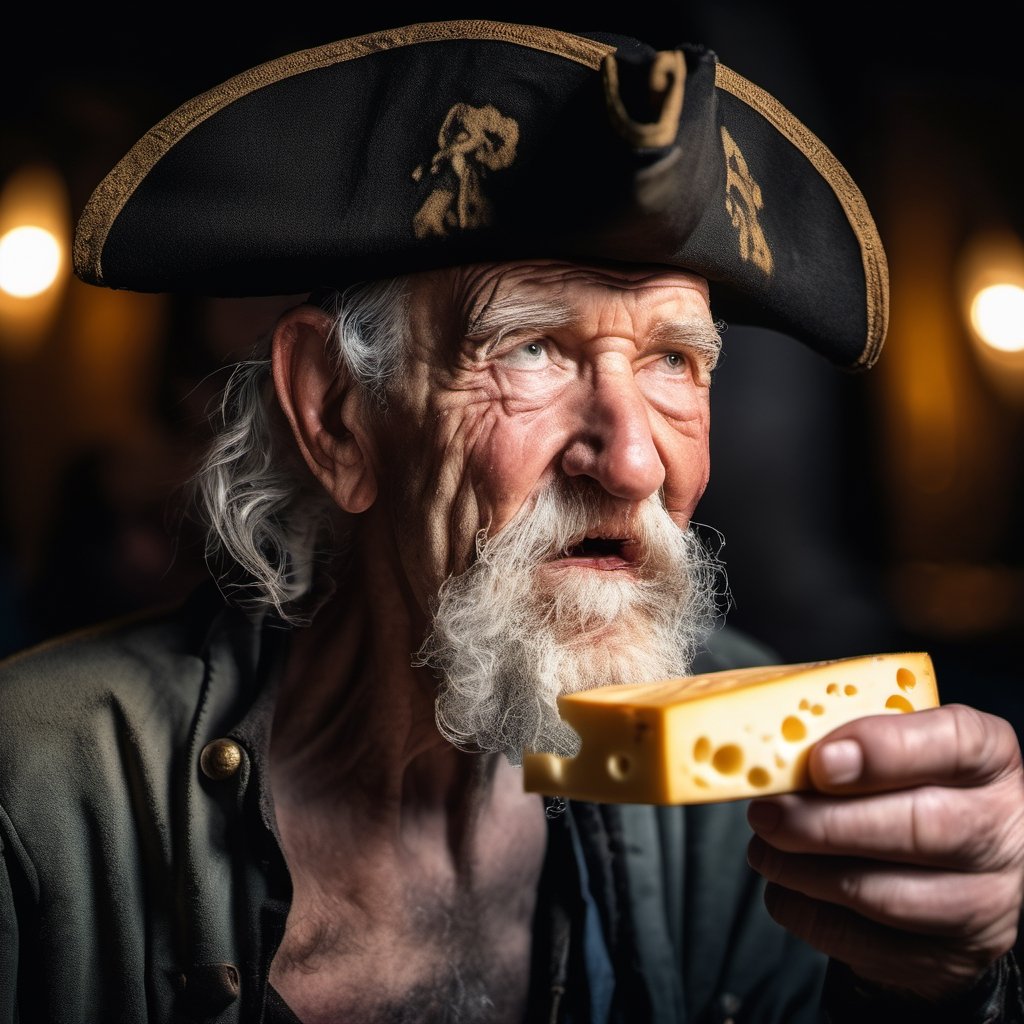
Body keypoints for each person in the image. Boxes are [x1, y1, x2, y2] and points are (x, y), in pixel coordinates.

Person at [2, 19, 1023, 1024]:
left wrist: (937, 985)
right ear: (335, 414)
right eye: (530, 347)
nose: (630, 460)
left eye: (673, 361)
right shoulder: (31, 797)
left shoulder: (749, 807)